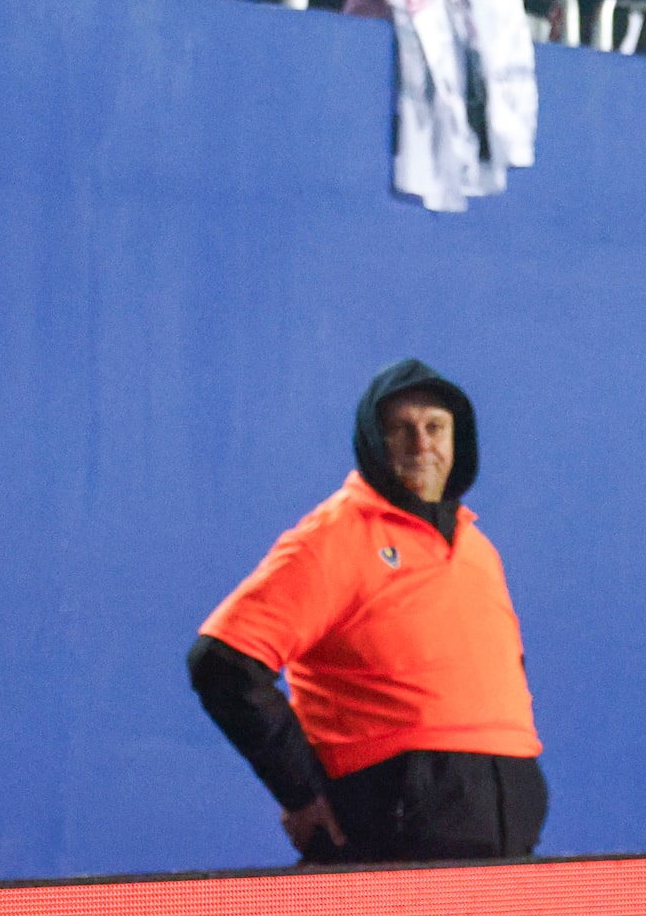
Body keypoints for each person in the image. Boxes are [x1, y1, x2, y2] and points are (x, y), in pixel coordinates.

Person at [188, 359, 546, 865]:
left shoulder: (477, 547)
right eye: (401, 430)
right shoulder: (335, 537)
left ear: (457, 440)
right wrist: (301, 792)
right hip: (394, 818)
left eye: (435, 428)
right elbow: (222, 662)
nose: (421, 445)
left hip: (504, 823)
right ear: (374, 444)